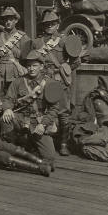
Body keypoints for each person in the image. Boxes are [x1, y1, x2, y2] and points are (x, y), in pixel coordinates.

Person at [33, 10, 81, 156]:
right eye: (47, 24)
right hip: (41, 80)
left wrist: (65, 69)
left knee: (63, 112)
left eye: (52, 23)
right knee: (40, 110)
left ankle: (63, 143)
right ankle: (41, 141)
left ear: (57, 24)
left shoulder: (64, 40)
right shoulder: (37, 42)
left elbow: (76, 61)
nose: (49, 26)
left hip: (58, 81)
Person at [0, 50, 61, 166]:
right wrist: (7, 108)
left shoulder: (49, 83)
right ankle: (11, 149)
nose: (31, 69)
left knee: (49, 157)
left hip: (37, 122)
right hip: (21, 119)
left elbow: (54, 109)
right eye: (28, 66)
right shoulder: (18, 82)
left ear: (41, 66)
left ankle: (29, 146)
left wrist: (43, 124)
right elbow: (8, 99)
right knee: (6, 119)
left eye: (35, 65)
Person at [0, 7, 30, 92]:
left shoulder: (22, 37)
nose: (8, 22)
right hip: (0, 74)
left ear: (16, 21)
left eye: (11, 19)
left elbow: (27, 57)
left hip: (15, 73)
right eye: (5, 20)